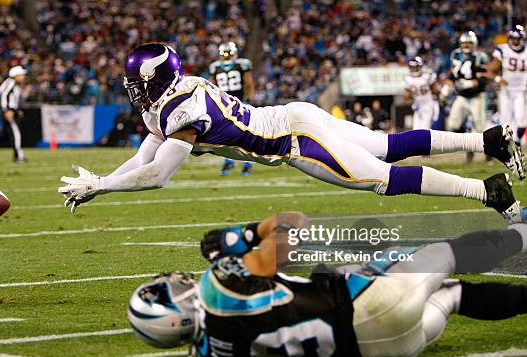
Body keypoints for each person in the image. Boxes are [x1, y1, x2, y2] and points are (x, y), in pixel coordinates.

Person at [58, 43, 525, 223]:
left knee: (381, 176)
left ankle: (489, 192)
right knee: (386, 145)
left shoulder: (182, 110)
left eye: (139, 83)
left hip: (295, 141)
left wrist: (100, 186)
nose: (134, 91)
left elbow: (157, 174)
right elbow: (141, 160)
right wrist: (100, 182)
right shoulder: (173, 98)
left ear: (157, 80)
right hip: (292, 114)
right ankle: (486, 141)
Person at [128, 212, 527, 357]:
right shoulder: (219, 286)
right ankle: (522, 234)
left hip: (377, 350)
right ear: (176, 304)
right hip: (367, 300)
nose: (176, 281)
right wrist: (245, 234)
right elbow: (291, 231)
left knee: (453, 296)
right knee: (450, 252)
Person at [441, 31, 489, 162]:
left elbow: (484, 80)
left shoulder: (480, 56)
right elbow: (452, 74)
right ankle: (468, 146)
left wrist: (470, 83)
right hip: (461, 96)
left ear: (474, 44)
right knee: (452, 125)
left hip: (476, 96)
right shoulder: (456, 54)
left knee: (480, 127)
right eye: (464, 43)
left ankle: (489, 152)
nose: (466, 45)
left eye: (469, 43)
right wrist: (446, 88)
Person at [209, 42, 255, 176]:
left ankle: (239, 161)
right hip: (239, 103)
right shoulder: (242, 64)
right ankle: (243, 162)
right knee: (242, 134)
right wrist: (248, 100)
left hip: (225, 105)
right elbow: (249, 84)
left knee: (227, 134)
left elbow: (212, 87)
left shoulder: (215, 67)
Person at [487, 25, 527, 144]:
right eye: (513, 38)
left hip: (521, 90)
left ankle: (518, 141)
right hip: (506, 90)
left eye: (517, 39)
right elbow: (492, 69)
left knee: (521, 121)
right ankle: (508, 146)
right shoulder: (502, 49)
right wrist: (498, 78)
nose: (515, 41)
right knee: (506, 120)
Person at [404, 57, 440, 130]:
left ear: (420, 66)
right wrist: (409, 99)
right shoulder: (408, 78)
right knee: (415, 129)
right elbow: (407, 95)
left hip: (428, 103)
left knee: (425, 128)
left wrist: (437, 99)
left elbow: (435, 90)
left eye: (415, 67)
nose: (413, 69)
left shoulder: (427, 75)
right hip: (418, 105)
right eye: (412, 67)